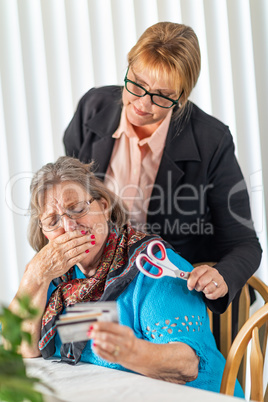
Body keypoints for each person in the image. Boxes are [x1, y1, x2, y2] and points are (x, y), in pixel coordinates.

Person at [63, 22, 262, 325]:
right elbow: (67, 205)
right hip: (101, 291)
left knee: (161, 365)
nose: (142, 104)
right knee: (65, 353)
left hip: (169, 295)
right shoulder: (93, 108)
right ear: (128, 67)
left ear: (181, 97)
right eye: (137, 84)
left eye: (161, 96)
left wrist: (220, 276)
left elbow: (245, 245)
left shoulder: (211, 140)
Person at [9, 156, 243, 396]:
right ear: (44, 233)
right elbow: (19, 349)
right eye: (52, 220)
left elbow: (187, 365)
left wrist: (132, 352)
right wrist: (34, 276)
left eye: (77, 209)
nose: (69, 227)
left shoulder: (153, 266)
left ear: (103, 206)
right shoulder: (58, 280)